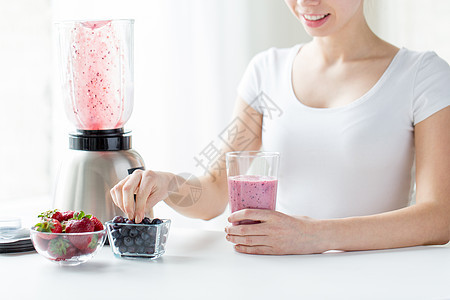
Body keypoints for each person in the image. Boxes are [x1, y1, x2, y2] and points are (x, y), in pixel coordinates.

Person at [110, 0, 450, 255]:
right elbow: (215, 190)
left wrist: (313, 236)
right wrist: (169, 184)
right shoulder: (267, 71)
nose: (306, 2)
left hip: (379, 278)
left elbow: (438, 218)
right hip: (281, 274)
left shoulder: (421, 75)